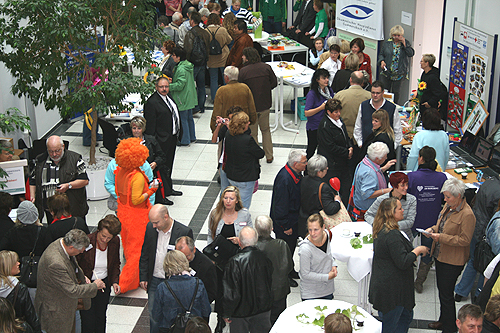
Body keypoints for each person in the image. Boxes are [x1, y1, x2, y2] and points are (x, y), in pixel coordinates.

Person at [369, 197, 429, 333]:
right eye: (400, 208)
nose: (403, 211)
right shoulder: (392, 235)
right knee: (393, 324)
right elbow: (402, 261)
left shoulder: (381, 229)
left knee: (405, 316)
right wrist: (418, 250)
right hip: (393, 291)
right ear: (391, 213)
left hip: (388, 286)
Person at [425, 178, 476, 333]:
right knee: (442, 291)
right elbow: (441, 225)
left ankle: (449, 328)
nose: (445, 200)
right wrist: (433, 230)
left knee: (447, 295)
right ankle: (443, 320)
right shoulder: (449, 206)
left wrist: (441, 237)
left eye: (448, 197)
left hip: (452, 260)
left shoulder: (467, 215)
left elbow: (465, 240)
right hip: (440, 255)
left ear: (459, 196)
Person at [35, 229, 105, 333]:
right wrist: (95, 286)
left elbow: (71, 266)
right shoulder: (55, 263)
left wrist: (81, 276)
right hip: (56, 312)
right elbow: (72, 290)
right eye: (80, 250)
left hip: (67, 304)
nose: (82, 252)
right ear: (71, 247)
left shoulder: (62, 243)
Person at [139, 204, 193, 333]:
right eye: (152, 222)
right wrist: (143, 276)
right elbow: (145, 253)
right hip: (154, 280)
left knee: (173, 316)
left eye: (156, 222)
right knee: (153, 315)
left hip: (173, 281)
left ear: (166, 217)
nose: (153, 226)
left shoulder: (184, 232)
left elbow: (188, 259)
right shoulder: (150, 228)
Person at [115, 138, 159, 294]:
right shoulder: (138, 177)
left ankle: (134, 275)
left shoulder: (120, 171)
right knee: (136, 251)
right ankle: (125, 283)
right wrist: (152, 190)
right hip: (136, 217)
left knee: (127, 245)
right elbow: (137, 199)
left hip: (122, 212)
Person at [207, 185, 252, 332]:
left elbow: (250, 235)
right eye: (225, 198)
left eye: (231, 198)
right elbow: (210, 236)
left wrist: (239, 240)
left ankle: (235, 317)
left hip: (237, 259)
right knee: (221, 291)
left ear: (237, 200)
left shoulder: (244, 215)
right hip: (220, 261)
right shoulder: (215, 214)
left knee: (236, 290)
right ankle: (220, 320)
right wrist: (210, 255)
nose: (228, 201)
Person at [408, 146, 447, 293]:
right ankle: (420, 281)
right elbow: (444, 199)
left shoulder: (412, 177)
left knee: (405, 246)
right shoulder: (442, 177)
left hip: (412, 220)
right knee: (428, 252)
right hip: (432, 223)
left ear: (421, 158)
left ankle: (406, 272)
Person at [455, 178, 500, 302]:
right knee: (485, 264)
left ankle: (460, 291)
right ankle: (478, 294)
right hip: (486, 233)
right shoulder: (499, 193)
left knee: (473, 260)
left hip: (475, 226)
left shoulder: (489, 182)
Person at [222, 226, 273, 332]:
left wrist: (227, 312)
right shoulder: (265, 258)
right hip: (263, 309)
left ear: (239, 242)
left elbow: (231, 293)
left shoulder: (234, 262)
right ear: (256, 240)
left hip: (240, 313)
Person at [76, 215, 121, 333]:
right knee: (87, 319)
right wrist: (82, 277)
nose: (105, 240)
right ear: (98, 231)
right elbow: (76, 263)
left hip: (103, 284)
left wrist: (115, 281)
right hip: (87, 284)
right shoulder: (87, 240)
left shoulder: (115, 242)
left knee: (101, 317)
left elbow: (116, 263)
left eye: (109, 238)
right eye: (103, 236)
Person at [29, 135, 89, 223]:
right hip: (50, 210)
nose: (54, 154)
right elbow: (33, 180)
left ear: (63, 147)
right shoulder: (40, 160)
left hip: (71, 208)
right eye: (51, 151)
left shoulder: (75, 159)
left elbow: (84, 180)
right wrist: (32, 196)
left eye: (57, 151)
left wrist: (68, 186)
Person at [144, 76, 183, 206]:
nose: (164, 89)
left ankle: (168, 188)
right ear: (156, 87)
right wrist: (154, 145)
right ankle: (162, 194)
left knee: (169, 164)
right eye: (161, 87)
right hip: (160, 141)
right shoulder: (152, 102)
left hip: (171, 138)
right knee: (161, 168)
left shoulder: (169, 97)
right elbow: (150, 127)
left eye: (166, 86)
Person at [269, 149, 307, 285]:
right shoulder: (285, 180)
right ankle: (283, 275)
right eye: (304, 162)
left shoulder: (295, 174)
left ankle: (290, 270)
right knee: (284, 251)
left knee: (290, 248)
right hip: (285, 224)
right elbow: (280, 206)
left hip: (292, 219)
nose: (306, 164)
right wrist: (285, 226)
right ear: (296, 164)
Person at [152, 250, 211, 331]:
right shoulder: (198, 283)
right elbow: (206, 311)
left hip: (169, 328)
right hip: (193, 328)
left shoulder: (163, 287)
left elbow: (156, 315)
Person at [239, 46, 278, 163]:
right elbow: (274, 83)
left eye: (243, 55)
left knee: (253, 133)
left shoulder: (243, 71)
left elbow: (241, 89)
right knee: (266, 130)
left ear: (247, 58)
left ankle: (256, 156)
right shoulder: (266, 67)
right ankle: (269, 155)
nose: (242, 57)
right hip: (265, 105)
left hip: (251, 107)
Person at [255, 215, 294, 324]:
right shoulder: (281, 245)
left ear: (256, 229)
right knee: (278, 320)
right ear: (271, 229)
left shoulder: (253, 248)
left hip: (261, 293)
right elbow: (289, 267)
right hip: (280, 291)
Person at [223, 112, 265, 209]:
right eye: (247, 122)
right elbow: (260, 154)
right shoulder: (247, 140)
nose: (249, 123)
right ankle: (240, 222)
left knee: (234, 202)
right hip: (245, 177)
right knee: (243, 206)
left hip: (232, 175)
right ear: (242, 125)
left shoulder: (228, 135)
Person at [317, 98, 353, 205]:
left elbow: (346, 136)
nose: (339, 114)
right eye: (336, 112)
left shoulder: (340, 121)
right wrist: (346, 152)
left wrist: (350, 147)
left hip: (343, 163)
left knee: (346, 189)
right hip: (333, 165)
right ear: (328, 112)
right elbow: (330, 147)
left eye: (339, 111)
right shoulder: (325, 126)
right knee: (333, 191)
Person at [365, 172, 417, 241]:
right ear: (394, 186)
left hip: (404, 238)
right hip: (384, 238)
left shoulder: (412, 199)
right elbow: (368, 215)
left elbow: (410, 222)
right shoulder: (382, 199)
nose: (406, 187)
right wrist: (378, 225)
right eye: (402, 185)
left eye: (407, 184)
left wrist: (389, 226)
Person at [353, 81, 402, 153]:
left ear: (382, 93)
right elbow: (358, 127)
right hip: (367, 150)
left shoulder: (391, 108)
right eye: (373, 92)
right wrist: (361, 145)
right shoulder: (364, 106)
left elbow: (398, 130)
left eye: (378, 93)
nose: (375, 95)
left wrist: (392, 147)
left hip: (386, 152)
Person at [351, 142, 396, 221]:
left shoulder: (366, 162)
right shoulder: (369, 174)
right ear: (377, 159)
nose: (386, 158)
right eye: (384, 157)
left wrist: (384, 168)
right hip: (367, 208)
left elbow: (374, 173)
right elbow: (367, 194)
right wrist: (386, 191)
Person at [298, 213, 338, 301]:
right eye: (310, 230)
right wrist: (327, 277)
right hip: (311, 293)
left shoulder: (327, 235)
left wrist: (333, 265)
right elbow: (305, 274)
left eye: (316, 230)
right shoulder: (305, 249)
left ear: (323, 227)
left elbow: (329, 254)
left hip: (327, 289)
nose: (312, 233)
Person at [299, 154, 341, 235]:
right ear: (319, 172)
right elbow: (330, 209)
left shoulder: (303, 180)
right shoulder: (323, 187)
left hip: (303, 221)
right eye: (325, 168)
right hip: (316, 225)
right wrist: (337, 201)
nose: (327, 169)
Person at [0, 250, 41, 332]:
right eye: (15, 262)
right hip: (15, 328)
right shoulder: (19, 288)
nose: (19, 263)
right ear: (8, 266)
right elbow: (30, 315)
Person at [129, 116, 166, 202]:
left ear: (143, 129)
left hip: (148, 176)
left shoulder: (151, 140)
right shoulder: (127, 142)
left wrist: (155, 163)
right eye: (134, 128)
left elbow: (161, 156)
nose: (136, 131)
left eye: (139, 128)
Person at [210, 66, 256, 133]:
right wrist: (251, 120)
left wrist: (214, 126)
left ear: (227, 77)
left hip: (226, 127)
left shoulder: (221, 91)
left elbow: (217, 111)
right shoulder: (245, 88)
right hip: (242, 126)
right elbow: (251, 107)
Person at [175, 236, 218, 305]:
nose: (183, 260)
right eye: (180, 256)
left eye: (187, 256)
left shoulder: (207, 265)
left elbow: (211, 293)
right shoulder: (174, 259)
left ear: (194, 250)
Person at [378, 25, 415, 105]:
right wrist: (382, 61)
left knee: (396, 93)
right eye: (394, 35)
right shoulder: (387, 43)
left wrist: (404, 44)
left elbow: (410, 53)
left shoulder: (405, 43)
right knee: (385, 91)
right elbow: (381, 54)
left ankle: (394, 108)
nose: (396, 37)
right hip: (387, 72)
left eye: (398, 35)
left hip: (399, 74)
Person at [169, 47, 197, 146]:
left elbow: (180, 85)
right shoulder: (187, 66)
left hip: (182, 97)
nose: (172, 57)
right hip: (189, 96)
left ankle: (185, 140)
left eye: (173, 55)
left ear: (178, 57)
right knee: (189, 117)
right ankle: (192, 136)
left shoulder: (181, 69)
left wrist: (168, 86)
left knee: (183, 119)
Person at [184, 12, 210, 115]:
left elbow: (188, 50)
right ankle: (201, 106)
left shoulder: (190, 34)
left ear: (192, 21)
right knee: (201, 86)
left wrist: (187, 62)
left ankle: (194, 107)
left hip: (192, 63)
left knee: (191, 85)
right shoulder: (205, 33)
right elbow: (207, 48)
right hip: (203, 63)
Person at [304, 68, 333, 160]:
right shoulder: (312, 94)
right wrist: (320, 108)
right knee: (311, 150)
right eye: (324, 78)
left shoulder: (329, 90)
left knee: (324, 150)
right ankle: (307, 170)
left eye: (327, 78)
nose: (327, 80)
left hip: (326, 126)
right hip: (314, 127)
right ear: (317, 80)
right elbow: (307, 113)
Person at [206, 13, 232, 102]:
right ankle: (226, 98)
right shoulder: (222, 30)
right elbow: (229, 40)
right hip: (223, 57)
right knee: (225, 78)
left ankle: (215, 99)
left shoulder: (205, 31)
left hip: (211, 59)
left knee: (213, 79)